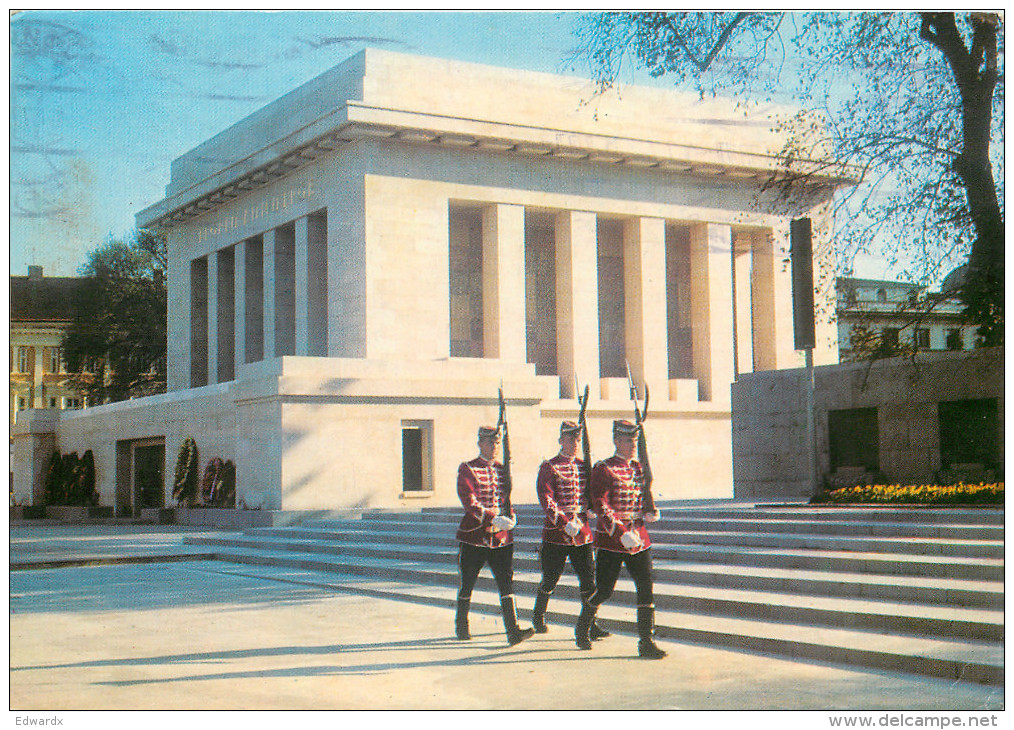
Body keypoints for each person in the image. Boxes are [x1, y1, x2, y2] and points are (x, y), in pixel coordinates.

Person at [575, 419, 667, 659]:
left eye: (635, 440)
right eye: (628, 440)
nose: (632, 445)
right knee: (604, 590)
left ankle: (646, 641)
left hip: (638, 537)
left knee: (645, 587)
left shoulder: (638, 467)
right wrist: (619, 531)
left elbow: (644, 494)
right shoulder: (603, 468)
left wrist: (650, 511)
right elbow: (601, 504)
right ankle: (583, 624)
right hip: (612, 540)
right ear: (616, 440)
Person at [454, 425, 535, 646]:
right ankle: (461, 625)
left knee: (506, 583)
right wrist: (492, 517)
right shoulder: (468, 469)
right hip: (475, 536)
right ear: (480, 443)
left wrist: (511, 517)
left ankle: (513, 631)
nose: (494, 447)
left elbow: (505, 499)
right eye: (490, 443)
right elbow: (469, 501)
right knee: (468, 582)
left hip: (500, 537)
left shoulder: (502, 469)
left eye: (497, 443)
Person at [531, 420, 609, 642]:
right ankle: (538, 614)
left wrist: (592, 507)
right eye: (570, 439)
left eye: (577, 439)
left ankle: (590, 624)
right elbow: (547, 498)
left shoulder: (585, 466)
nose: (574, 443)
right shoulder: (550, 466)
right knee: (550, 579)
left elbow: (593, 493)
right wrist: (564, 522)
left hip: (582, 533)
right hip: (557, 533)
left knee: (588, 580)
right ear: (560, 440)